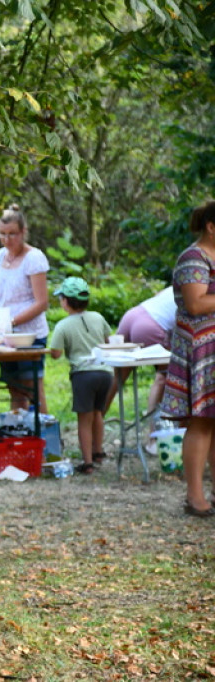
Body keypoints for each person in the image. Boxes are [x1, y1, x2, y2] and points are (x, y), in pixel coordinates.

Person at [160, 200, 215, 518]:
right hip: (200, 351)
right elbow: (196, 304)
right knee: (202, 421)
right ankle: (194, 497)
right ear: (211, 226)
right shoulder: (192, 258)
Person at [48, 277, 113, 474]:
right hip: (105, 373)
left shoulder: (63, 326)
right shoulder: (98, 317)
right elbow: (108, 341)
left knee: (84, 419)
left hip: (83, 375)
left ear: (66, 301)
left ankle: (87, 463)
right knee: (97, 414)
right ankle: (98, 452)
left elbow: (56, 353)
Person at [0, 204, 51, 413]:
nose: (7, 240)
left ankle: (45, 437)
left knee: (32, 388)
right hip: (3, 335)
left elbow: (42, 302)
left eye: (12, 234)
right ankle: (19, 437)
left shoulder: (34, 258)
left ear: (23, 232)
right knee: (14, 388)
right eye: (3, 234)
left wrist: (13, 321)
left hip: (29, 335)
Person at [103, 286, 175, 418]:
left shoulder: (187, 280)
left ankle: (95, 422)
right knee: (163, 377)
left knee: (118, 377)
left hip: (134, 314)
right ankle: (154, 431)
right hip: (151, 326)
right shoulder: (205, 291)